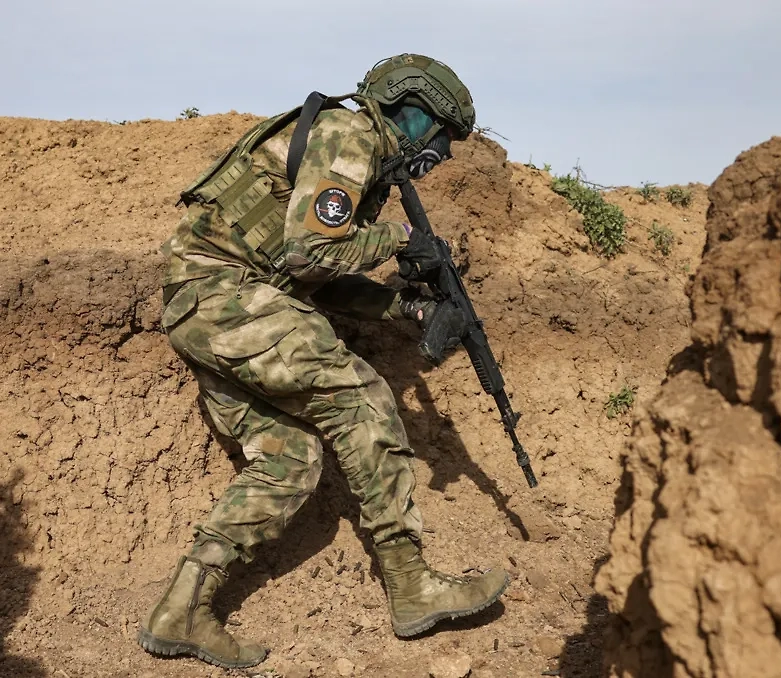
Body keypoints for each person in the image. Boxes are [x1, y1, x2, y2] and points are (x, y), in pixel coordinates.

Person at [137, 53, 508, 669]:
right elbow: (312, 253)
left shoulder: (359, 157)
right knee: (361, 397)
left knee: (290, 460)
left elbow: (313, 279)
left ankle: (181, 610)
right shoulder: (350, 134)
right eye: (438, 135)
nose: (440, 154)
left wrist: (401, 308)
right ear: (408, 112)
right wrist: (398, 241)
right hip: (226, 293)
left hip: (206, 304)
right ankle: (412, 586)